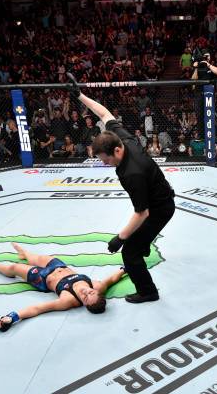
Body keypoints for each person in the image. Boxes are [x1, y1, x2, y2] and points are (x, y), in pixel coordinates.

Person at [68, 73, 175, 303]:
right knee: (138, 239)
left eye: (106, 160)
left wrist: (120, 238)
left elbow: (142, 213)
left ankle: (148, 292)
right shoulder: (121, 139)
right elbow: (104, 113)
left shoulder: (132, 172)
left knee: (130, 252)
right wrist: (80, 95)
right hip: (160, 195)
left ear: (116, 151)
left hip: (160, 208)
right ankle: (143, 244)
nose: (106, 165)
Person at [0, 243, 125, 332]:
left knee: (14, 267)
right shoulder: (98, 287)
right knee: (39, 257)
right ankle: (25, 254)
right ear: (95, 290)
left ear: (83, 303)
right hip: (58, 266)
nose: (85, 292)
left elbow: (38, 309)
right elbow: (111, 279)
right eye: (90, 292)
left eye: (85, 297)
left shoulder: (68, 300)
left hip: (42, 278)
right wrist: (124, 269)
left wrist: (11, 318)